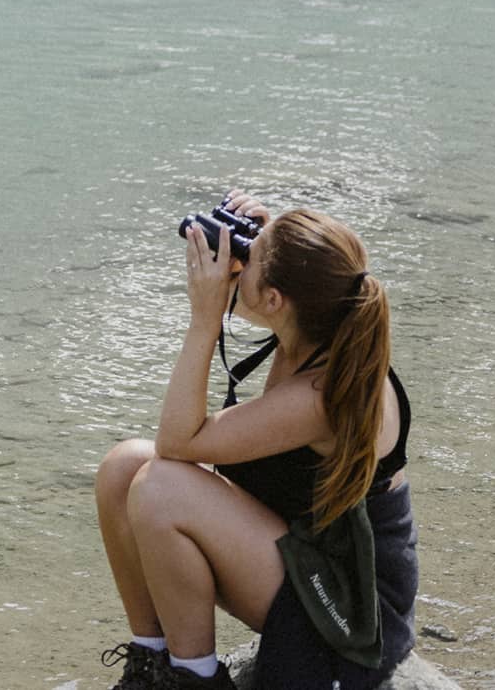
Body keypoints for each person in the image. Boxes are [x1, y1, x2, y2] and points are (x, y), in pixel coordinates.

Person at [94, 190, 417, 689]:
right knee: (124, 468)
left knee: (159, 488)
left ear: (276, 301)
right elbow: (276, 296)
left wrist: (203, 320)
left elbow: (178, 442)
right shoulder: (319, 324)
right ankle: (151, 664)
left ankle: (195, 680)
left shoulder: (320, 396)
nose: (239, 262)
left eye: (251, 257)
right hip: (311, 556)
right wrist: (272, 245)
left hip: (350, 609)